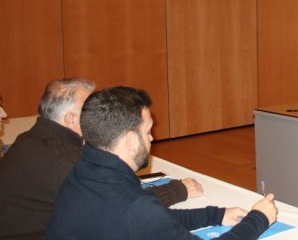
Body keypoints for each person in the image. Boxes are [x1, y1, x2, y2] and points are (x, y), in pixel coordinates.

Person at [47, 86, 278, 239]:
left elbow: (155, 221)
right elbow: (144, 216)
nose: (152, 138)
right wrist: (258, 219)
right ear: (130, 140)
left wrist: (214, 215)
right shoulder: (133, 207)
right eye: (147, 131)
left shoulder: (81, 173)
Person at [0, 79, 201, 239]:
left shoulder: (30, 138)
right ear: (70, 119)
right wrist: (179, 189)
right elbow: (120, 204)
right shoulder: (65, 159)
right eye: (88, 109)